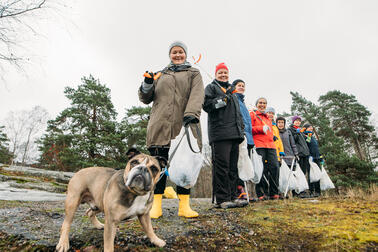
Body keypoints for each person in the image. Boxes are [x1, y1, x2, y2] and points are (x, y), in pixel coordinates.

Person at [138, 41, 204, 218]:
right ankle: (156, 206)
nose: (177, 55)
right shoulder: (161, 74)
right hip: (159, 125)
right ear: (169, 55)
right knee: (157, 165)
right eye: (174, 52)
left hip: (184, 125)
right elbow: (146, 98)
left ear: (185, 54)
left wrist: (191, 113)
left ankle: (184, 206)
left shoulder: (193, 73)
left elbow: (198, 95)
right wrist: (147, 83)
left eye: (180, 52)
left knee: (184, 164)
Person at [203, 63, 246, 209]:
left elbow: (237, 113)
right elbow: (207, 106)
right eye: (220, 72)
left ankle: (233, 196)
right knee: (222, 167)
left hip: (235, 134)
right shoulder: (211, 88)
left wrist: (241, 128)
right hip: (220, 134)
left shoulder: (232, 91)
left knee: (233, 168)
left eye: (225, 73)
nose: (223, 75)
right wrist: (224, 99)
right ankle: (221, 198)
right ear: (216, 74)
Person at [250, 98, 280, 200]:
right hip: (259, 144)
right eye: (260, 103)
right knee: (260, 169)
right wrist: (260, 128)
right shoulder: (253, 115)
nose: (262, 105)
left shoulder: (268, 118)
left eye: (264, 103)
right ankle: (261, 193)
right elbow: (249, 128)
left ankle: (274, 192)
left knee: (275, 167)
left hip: (271, 146)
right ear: (257, 104)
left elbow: (270, 132)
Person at [232, 79, 255, 200]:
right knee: (238, 163)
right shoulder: (234, 99)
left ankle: (245, 191)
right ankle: (238, 190)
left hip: (249, 138)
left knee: (246, 164)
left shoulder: (243, 102)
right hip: (241, 136)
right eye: (239, 85)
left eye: (243, 86)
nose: (241, 87)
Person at [288, 116, 311, 198]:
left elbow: (306, 142)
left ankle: (303, 191)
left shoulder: (301, 131)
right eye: (296, 121)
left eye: (299, 121)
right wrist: (297, 133)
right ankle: (296, 192)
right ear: (293, 122)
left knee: (303, 173)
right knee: (297, 173)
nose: (298, 122)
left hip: (305, 154)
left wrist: (308, 136)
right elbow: (294, 141)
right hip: (299, 154)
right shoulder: (290, 130)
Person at [303, 124, 323, 197]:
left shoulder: (313, 137)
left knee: (318, 174)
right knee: (311, 175)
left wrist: (321, 157)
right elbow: (307, 144)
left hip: (317, 158)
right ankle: (311, 191)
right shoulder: (305, 136)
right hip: (310, 158)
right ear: (305, 129)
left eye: (311, 127)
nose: (311, 128)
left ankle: (318, 192)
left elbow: (316, 148)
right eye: (309, 127)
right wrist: (308, 135)